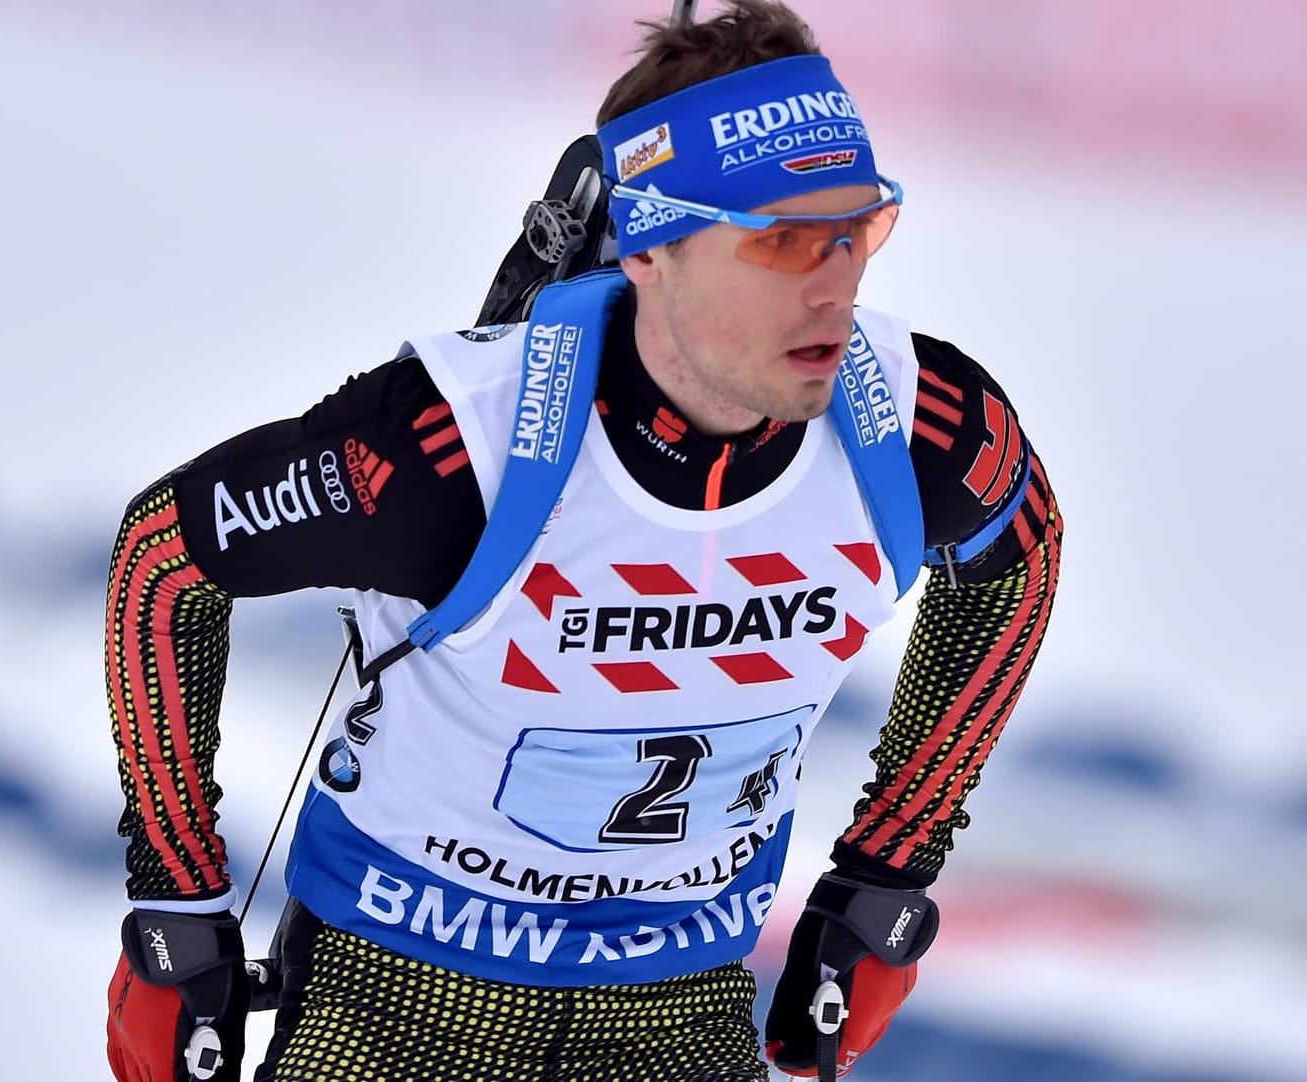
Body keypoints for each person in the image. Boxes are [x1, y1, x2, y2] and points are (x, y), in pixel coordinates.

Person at [101, 3, 1063, 1080]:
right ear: (652, 246)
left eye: (857, 227)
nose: (834, 283)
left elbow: (1019, 556)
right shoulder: (459, 444)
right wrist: (175, 904)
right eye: (781, 238)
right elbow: (166, 558)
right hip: (396, 1005)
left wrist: (891, 867)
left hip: (676, 1005)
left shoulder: (919, 423)